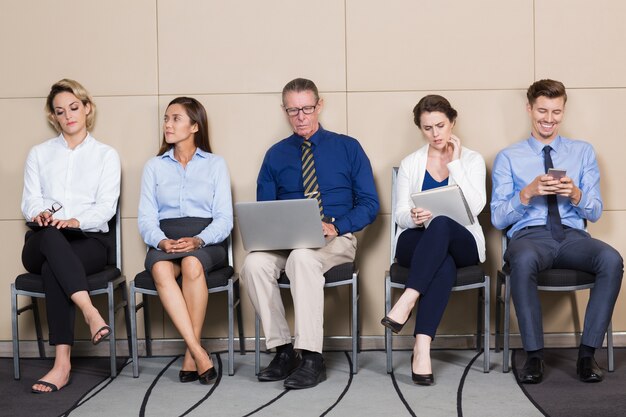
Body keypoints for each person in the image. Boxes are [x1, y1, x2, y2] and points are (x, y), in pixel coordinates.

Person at [240, 78, 379, 389]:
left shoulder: (348, 147)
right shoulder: (275, 155)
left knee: (303, 258)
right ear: (284, 110)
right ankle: (283, 350)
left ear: (320, 105)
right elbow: (266, 209)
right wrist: (277, 233)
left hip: (336, 238)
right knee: (253, 264)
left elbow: (370, 204)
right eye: (293, 110)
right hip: (286, 239)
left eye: (306, 108)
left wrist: (336, 226)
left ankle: (312, 356)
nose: (300, 116)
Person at [491, 79, 623, 384]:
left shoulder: (583, 152)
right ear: (529, 109)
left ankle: (587, 354)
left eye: (556, 111)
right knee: (521, 261)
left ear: (563, 111)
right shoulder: (508, 157)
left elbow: (595, 211)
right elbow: (498, 218)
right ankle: (534, 356)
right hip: (529, 238)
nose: (548, 119)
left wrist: (575, 193)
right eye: (542, 111)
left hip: (572, 238)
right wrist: (527, 193)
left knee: (611, 260)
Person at [21, 79, 121, 393]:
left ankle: (61, 364)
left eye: (74, 108)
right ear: (54, 117)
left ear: (87, 108)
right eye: (61, 112)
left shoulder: (106, 155)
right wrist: (41, 213)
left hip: (88, 241)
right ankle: (90, 312)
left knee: (56, 267)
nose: (69, 116)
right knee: (51, 238)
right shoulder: (39, 154)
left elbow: (106, 207)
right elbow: (29, 200)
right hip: (43, 240)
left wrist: (77, 219)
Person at [380, 95, 486, 386]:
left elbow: (475, 208)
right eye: (428, 128)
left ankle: (407, 300)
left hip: (463, 241)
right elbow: (399, 213)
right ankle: (422, 347)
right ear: (421, 129)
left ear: (452, 122)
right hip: (418, 240)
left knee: (441, 224)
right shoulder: (411, 163)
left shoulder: (472, 160)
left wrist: (455, 165)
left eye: (440, 125)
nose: (436, 134)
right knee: (442, 263)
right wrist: (412, 216)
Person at [138, 97, 233, 385]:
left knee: (192, 264)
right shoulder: (154, 167)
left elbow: (224, 219)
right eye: (166, 118)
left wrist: (199, 240)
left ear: (194, 126)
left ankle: (191, 356)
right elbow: (145, 219)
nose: (167, 124)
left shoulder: (215, 164)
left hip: (206, 240)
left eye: (176, 118)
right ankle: (197, 351)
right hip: (165, 238)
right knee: (161, 269)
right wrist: (161, 242)